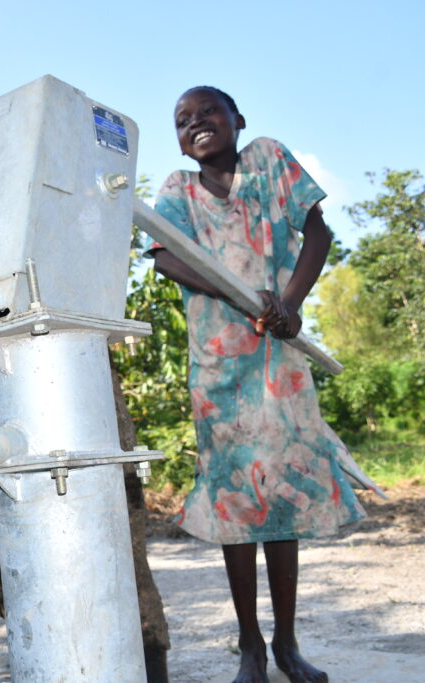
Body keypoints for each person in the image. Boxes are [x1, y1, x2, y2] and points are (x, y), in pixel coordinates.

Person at [148, 86, 379, 683]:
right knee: (236, 505)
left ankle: (286, 644)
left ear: (237, 120)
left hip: (280, 361)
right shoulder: (177, 190)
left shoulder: (270, 160)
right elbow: (167, 258)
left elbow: (318, 233)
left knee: (281, 498)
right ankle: (249, 646)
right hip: (219, 371)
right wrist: (238, 295)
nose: (197, 123)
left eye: (208, 112)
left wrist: (291, 305)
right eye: (183, 120)